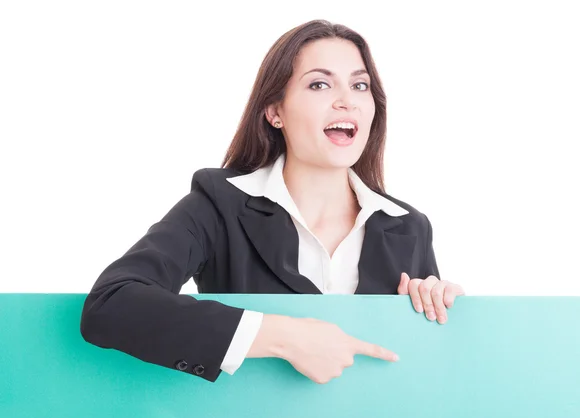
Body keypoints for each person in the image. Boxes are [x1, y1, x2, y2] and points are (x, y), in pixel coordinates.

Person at [80, 19, 465, 385]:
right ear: (275, 111)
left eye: (360, 86)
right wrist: (282, 335)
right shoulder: (219, 203)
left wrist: (446, 314)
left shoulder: (407, 226)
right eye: (319, 85)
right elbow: (112, 304)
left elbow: (421, 374)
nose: (347, 101)